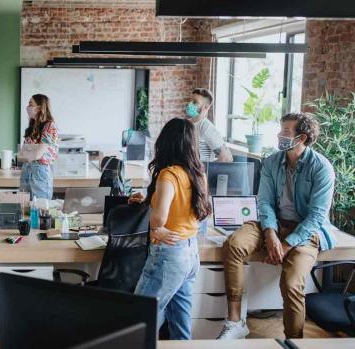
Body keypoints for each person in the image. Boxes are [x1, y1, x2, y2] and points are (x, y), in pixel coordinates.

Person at [217, 113, 336, 339]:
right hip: (273, 223)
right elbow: (264, 202)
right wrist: (270, 233)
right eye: (280, 130)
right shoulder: (272, 161)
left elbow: (316, 217)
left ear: (301, 138)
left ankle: (294, 340)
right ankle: (235, 322)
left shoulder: (322, 168)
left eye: (285, 132)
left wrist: (286, 245)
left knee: (292, 284)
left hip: (305, 232)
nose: (279, 135)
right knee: (233, 244)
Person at [133, 118, 212, 340]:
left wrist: (156, 227)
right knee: (180, 321)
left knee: (141, 315)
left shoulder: (168, 174)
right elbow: (186, 206)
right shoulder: (198, 173)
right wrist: (149, 198)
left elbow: (160, 218)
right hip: (190, 253)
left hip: (169, 255)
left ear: (166, 142)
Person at [20, 94, 59, 200]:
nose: (28, 107)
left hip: (40, 170)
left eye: (31, 104)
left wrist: (27, 154)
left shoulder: (50, 126)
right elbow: (23, 152)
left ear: (40, 107)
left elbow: (37, 154)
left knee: (40, 207)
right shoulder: (32, 127)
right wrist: (26, 154)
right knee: (25, 207)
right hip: (27, 168)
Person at [186, 88, 233, 163]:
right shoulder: (186, 124)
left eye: (195, 102)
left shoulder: (206, 127)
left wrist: (206, 171)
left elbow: (226, 158)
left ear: (206, 107)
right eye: (190, 100)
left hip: (199, 173)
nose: (190, 104)